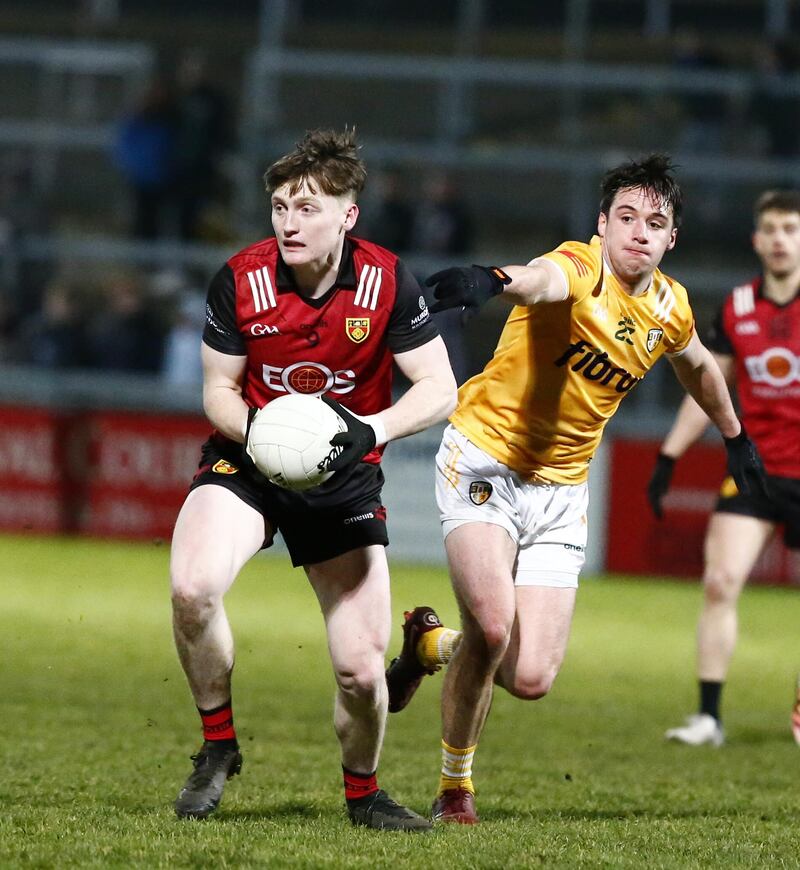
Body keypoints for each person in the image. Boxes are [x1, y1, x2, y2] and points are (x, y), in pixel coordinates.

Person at [384, 154, 768, 824]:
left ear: (672, 237)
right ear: (602, 224)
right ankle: (455, 788)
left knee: (530, 678)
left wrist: (735, 436)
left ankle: (427, 645)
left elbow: (702, 368)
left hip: (561, 490)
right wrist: (492, 279)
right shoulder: (583, 266)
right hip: (485, 464)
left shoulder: (670, 307)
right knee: (496, 626)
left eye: (655, 222)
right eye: (626, 217)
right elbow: (540, 281)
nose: (639, 232)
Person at [170, 128, 457, 831]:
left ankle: (365, 799)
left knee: (361, 673)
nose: (289, 222)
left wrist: (370, 432)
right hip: (249, 462)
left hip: (343, 479)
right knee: (192, 588)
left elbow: (440, 388)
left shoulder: (387, 280)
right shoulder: (241, 278)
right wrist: (262, 435)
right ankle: (217, 748)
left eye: (307, 208)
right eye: (279, 207)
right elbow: (217, 390)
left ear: (347, 216)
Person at [646, 189, 800, 747]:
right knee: (719, 582)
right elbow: (708, 389)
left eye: (791, 229)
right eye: (772, 230)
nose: (781, 239)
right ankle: (709, 718)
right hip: (759, 471)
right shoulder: (737, 307)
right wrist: (668, 456)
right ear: (758, 241)